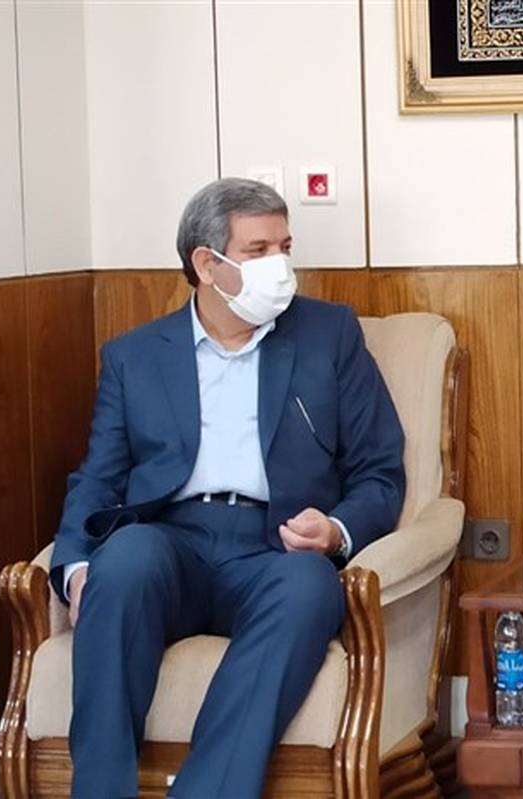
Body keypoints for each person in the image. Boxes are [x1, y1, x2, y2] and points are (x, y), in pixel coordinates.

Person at [49, 177, 406, 798]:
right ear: (207, 264)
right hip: (170, 540)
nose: (280, 267)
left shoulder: (330, 335)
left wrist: (336, 530)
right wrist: (76, 567)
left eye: (285, 247)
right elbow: (98, 478)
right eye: (258, 250)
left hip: (276, 548)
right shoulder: (134, 356)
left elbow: (380, 469)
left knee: (309, 587)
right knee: (120, 561)